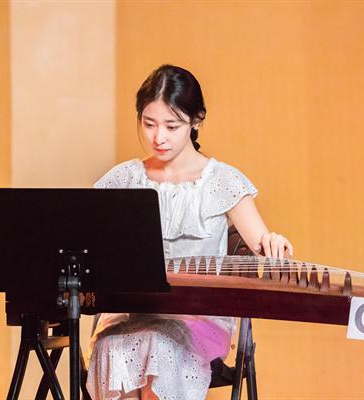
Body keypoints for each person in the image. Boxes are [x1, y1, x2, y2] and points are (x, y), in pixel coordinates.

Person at [87, 64, 293, 400]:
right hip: (132, 312)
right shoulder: (125, 179)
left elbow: (262, 242)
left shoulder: (221, 180)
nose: (159, 137)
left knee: (160, 342)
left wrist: (272, 242)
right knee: (112, 345)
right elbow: (87, 241)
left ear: (196, 120)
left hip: (196, 317)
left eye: (172, 126)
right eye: (149, 124)